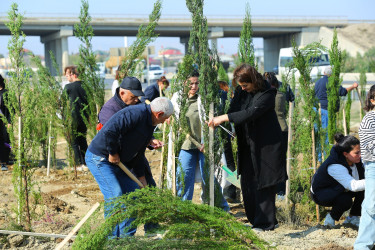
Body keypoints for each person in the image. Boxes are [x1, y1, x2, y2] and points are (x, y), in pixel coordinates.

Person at [208, 64, 287, 231]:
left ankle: (265, 223)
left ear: (254, 81)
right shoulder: (241, 91)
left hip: (267, 145)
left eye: (245, 85)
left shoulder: (267, 93)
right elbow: (234, 109)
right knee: (248, 183)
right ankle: (255, 220)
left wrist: (224, 118)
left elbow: (251, 112)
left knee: (264, 183)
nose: (243, 89)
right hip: (247, 144)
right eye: (241, 86)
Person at [86, 97, 173, 237]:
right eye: (165, 118)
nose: (164, 122)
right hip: (100, 157)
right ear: (159, 114)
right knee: (115, 195)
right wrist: (113, 153)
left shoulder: (149, 123)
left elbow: (138, 153)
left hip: (118, 162)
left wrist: (141, 177)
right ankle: (112, 240)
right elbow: (110, 131)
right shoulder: (134, 114)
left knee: (134, 194)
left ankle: (126, 239)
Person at [172, 71, 229, 212]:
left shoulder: (204, 99)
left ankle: (221, 207)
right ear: (184, 83)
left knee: (209, 177)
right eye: (190, 83)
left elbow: (214, 120)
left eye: (197, 83)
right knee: (183, 176)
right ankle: (183, 209)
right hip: (187, 144)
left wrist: (208, 140)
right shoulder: (177, 99)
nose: (194, 86)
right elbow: (171, 117)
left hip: (205, 144)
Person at [310, 133, 364, 228]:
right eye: (357, 153)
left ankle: (353, 217)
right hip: (321, 193)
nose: (360, 155)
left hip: (340, 188)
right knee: (346, 200)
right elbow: (353, 186)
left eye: (360, 151)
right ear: (345, 154)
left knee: (365, 188)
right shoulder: (335, 166)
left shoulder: (355, 160)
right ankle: (330, 218)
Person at [315, 66, 358, 153]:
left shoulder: (318, 82)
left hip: (317, 109)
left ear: (324, 73)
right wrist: (353, 86)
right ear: (332, 74)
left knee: (319, 134)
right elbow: (342, 92)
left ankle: (319, 156)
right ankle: (327, 153)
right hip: (327, 110)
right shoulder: (332, 82)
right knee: (328, 133)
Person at [355, 85, 375, 249]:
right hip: (374, 167)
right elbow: (369, 146)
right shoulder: (369, 119)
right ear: (373, 100)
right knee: (371, 206)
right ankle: (363, 245)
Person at [263, 72, 288, 197]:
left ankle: (278, 189)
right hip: (283, 128)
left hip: (273, 129)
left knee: (274, 162)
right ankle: (280, 190)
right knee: (281, 161)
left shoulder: (269, 95)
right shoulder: (281, 93)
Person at [63, 66, 89, 170]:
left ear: (73, 75)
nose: (67, 78)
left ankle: (78, 165)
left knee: (73, 141)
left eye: (68, 75)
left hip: (72, 117)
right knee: (83, 140)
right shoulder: (86, 86)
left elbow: (62, 101)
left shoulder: (69, 87)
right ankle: (86, 163)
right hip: (84, 117)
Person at [0, 74, 11, 171]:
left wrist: (9, 121)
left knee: (4, 140)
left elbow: (11, 109)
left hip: (3, 120)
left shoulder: (6, 93)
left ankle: (4, 161)